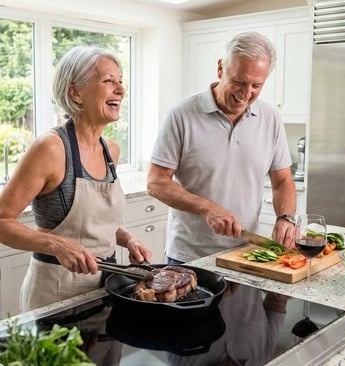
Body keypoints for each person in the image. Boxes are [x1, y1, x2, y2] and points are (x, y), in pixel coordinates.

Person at [0, 45, 151, 311]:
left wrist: (128, 239)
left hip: (106, 287)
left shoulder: (110, 150)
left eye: (120, 81)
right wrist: (57, 245)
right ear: (75, 93)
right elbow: (2, 220)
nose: (120, 89)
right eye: (108, 81)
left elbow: (96, 224)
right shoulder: (50, 148)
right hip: (56, 292)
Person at [147, 31, 296, 264]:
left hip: (246, 254)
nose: (246, 94)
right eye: (239, 82)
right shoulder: (182, 114)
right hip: (190, 257)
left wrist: (286, 217)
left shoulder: (270, 117)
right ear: (220, 68)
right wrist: (207, 208)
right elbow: (156, 182)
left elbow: (283, 180)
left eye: (257, 85)